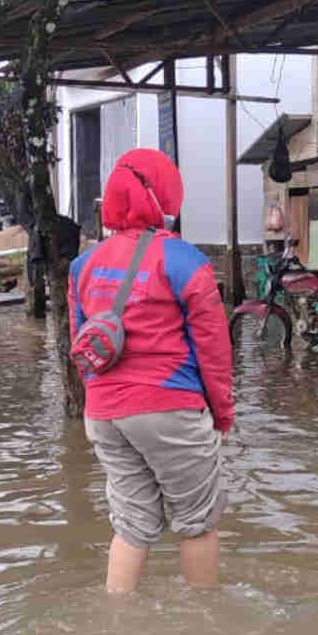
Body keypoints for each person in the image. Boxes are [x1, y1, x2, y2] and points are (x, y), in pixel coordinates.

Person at [70, 148, 234, 593]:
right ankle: (206, 622)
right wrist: (222, 416)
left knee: (131, 524)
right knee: (197, 522)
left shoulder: (82, 266)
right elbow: (214, 351)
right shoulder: (185, 261)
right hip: (169, 408)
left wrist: (101, 400)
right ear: (163, 195)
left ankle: (116, 623)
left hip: (103, 414)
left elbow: (81, 348)